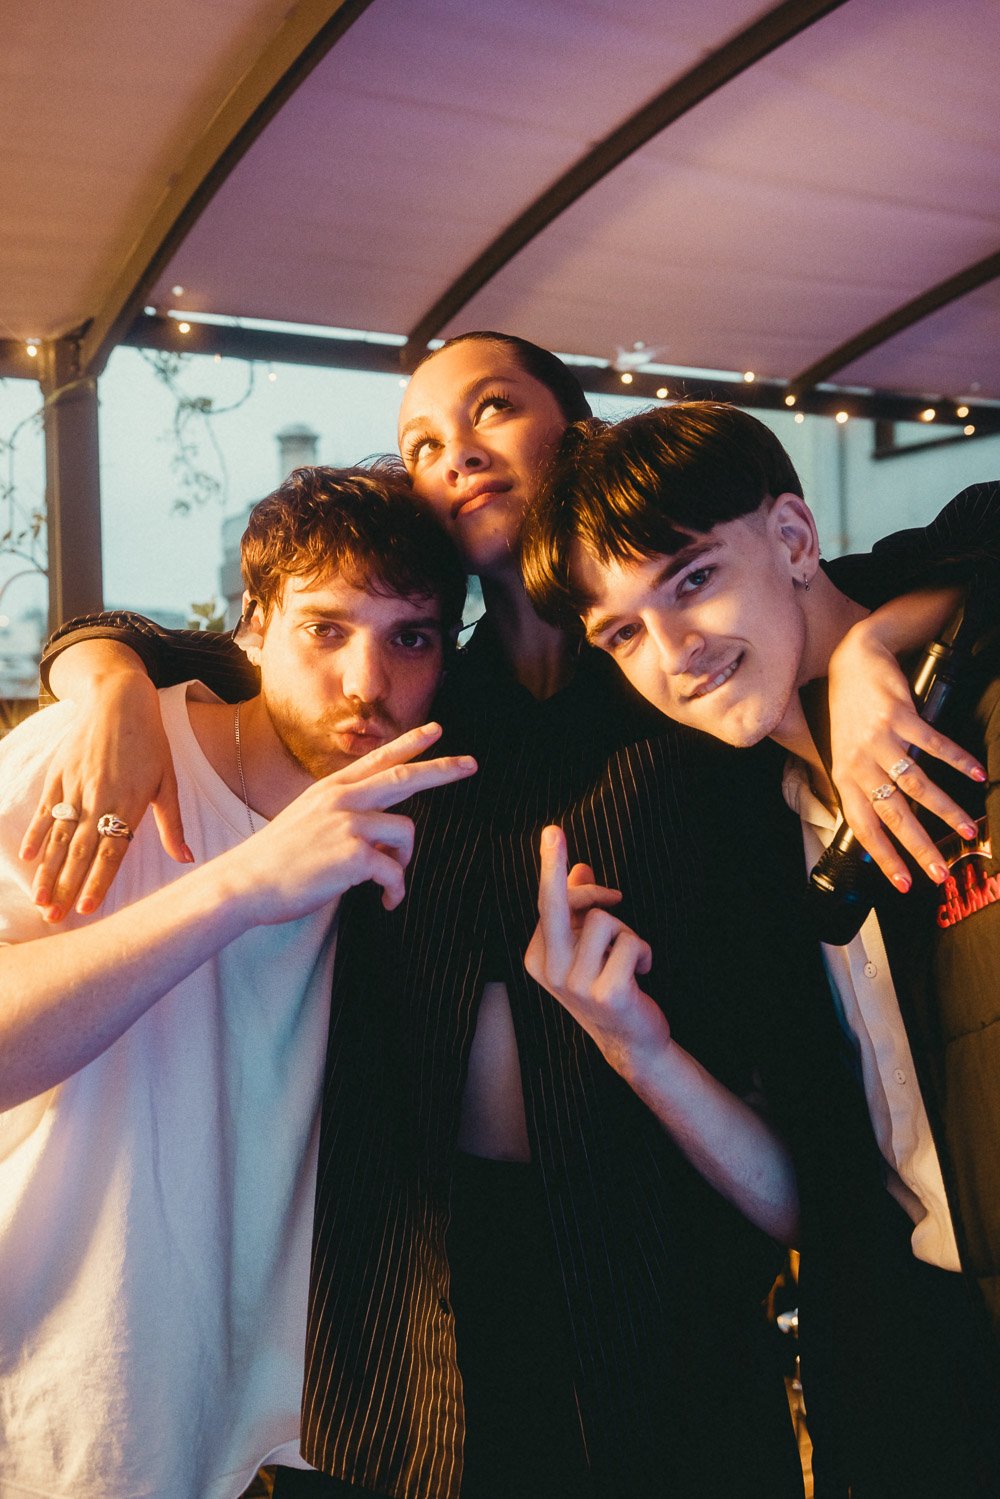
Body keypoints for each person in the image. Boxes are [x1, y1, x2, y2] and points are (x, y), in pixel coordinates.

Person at [31, 337, 991, 1498]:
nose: (456, 455)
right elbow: (246, 652)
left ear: (575, 431)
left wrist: (879, 642)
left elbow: (916, 558)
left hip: (668, 1283)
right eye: (421, 443)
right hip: (412, 1306)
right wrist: (105, 670)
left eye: (491, 409)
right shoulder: (409, 700)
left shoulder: (695, 687)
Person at [521, 401, 1000, 1495]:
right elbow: (821, 1204)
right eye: (622, 632)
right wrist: (633, 1046)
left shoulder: (975, 710)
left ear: (792, 536)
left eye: (691, 578)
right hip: (914, 1390)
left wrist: (880, 636)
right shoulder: (740, 837)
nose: (674, 653)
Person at [0, 466, 476, 1499]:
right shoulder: (98, 759)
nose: (365, 681)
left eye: (410, 637)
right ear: (253, 627)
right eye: (324, 628)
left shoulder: (429, 818)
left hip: (275, 1429)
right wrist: (241, 886)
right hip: (54, 1400)